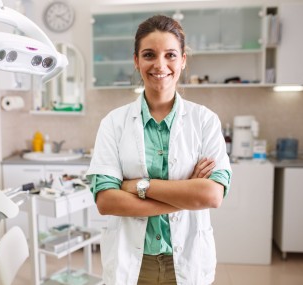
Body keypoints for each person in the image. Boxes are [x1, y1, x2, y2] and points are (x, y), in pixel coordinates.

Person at [86, 14, 232, 285]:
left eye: (171, 55)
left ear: (184, 60)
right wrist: (186, 191)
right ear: (136, 61)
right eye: (149, 54)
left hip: (187, 261)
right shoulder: (114, 123)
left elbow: (211, 196)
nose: (160, 65)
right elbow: (106, 202)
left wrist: (138, 186)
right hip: (132, 262)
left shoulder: (205, 121)